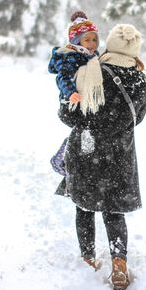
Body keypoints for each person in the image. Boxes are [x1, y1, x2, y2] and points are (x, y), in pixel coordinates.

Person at [55, 23, 146, 290]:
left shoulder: (90, 72)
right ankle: (119, 262)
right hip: (121, 153)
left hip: (88, 150)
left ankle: (87, 258)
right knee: (114, 210)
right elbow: (138, 118)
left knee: (84, 207)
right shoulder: (140, 78)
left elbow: (67, 115)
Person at [48, 11, 103, 176]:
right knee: (85, 130)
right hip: (71, 104)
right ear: (76, 41)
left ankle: (83, 162)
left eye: (94, 39)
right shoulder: (71, 56)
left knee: (89, 131)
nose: (92, 43)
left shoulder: (93, 57)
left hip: (86, 103)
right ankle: (63, 158)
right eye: (87, 40)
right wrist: (70, 92)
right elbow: (62, 77)